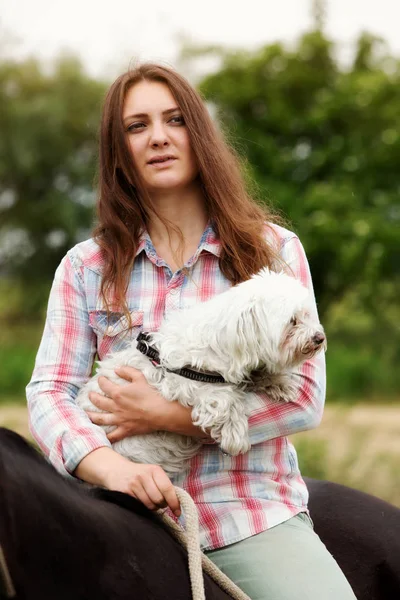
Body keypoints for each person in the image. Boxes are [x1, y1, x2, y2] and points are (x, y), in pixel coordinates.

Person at [26, 63, 357, 599]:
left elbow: (303, 399)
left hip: (246, 514)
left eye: (175, 120)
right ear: (119, 152)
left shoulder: (272, 251)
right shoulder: (86, 267)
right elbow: (49, 392)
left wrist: (167, 415)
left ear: (198, 134)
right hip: (117, 511)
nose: (158, 136)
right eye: (137, 126)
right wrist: (110, 468)